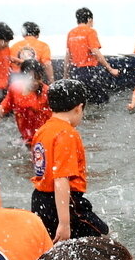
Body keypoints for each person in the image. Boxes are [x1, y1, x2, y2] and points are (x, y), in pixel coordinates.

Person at [29, 79, 107, 242]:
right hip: (64, 202)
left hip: (40, 199)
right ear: (79, 108)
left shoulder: (43, 130)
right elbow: (60, 179)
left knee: (55, 248)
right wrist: (64, 223)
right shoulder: (66, 134)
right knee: (103, 240)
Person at [64, 7, 120, 104]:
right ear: (89, 19)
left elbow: (68, 55)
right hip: (89, 72)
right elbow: (95, 51)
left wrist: (66, 75)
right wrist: (110, 69)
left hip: (75, 72)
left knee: (81, 101)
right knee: (102, 101)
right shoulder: (90, 31)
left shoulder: (71, 33)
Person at [0, 60, 52, 146]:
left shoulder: (47, 93)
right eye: (30, 79)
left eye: (38, 78)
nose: (35, 82)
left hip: (44, 138)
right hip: (25, 139)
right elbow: (2, 108)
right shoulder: (15, 89)